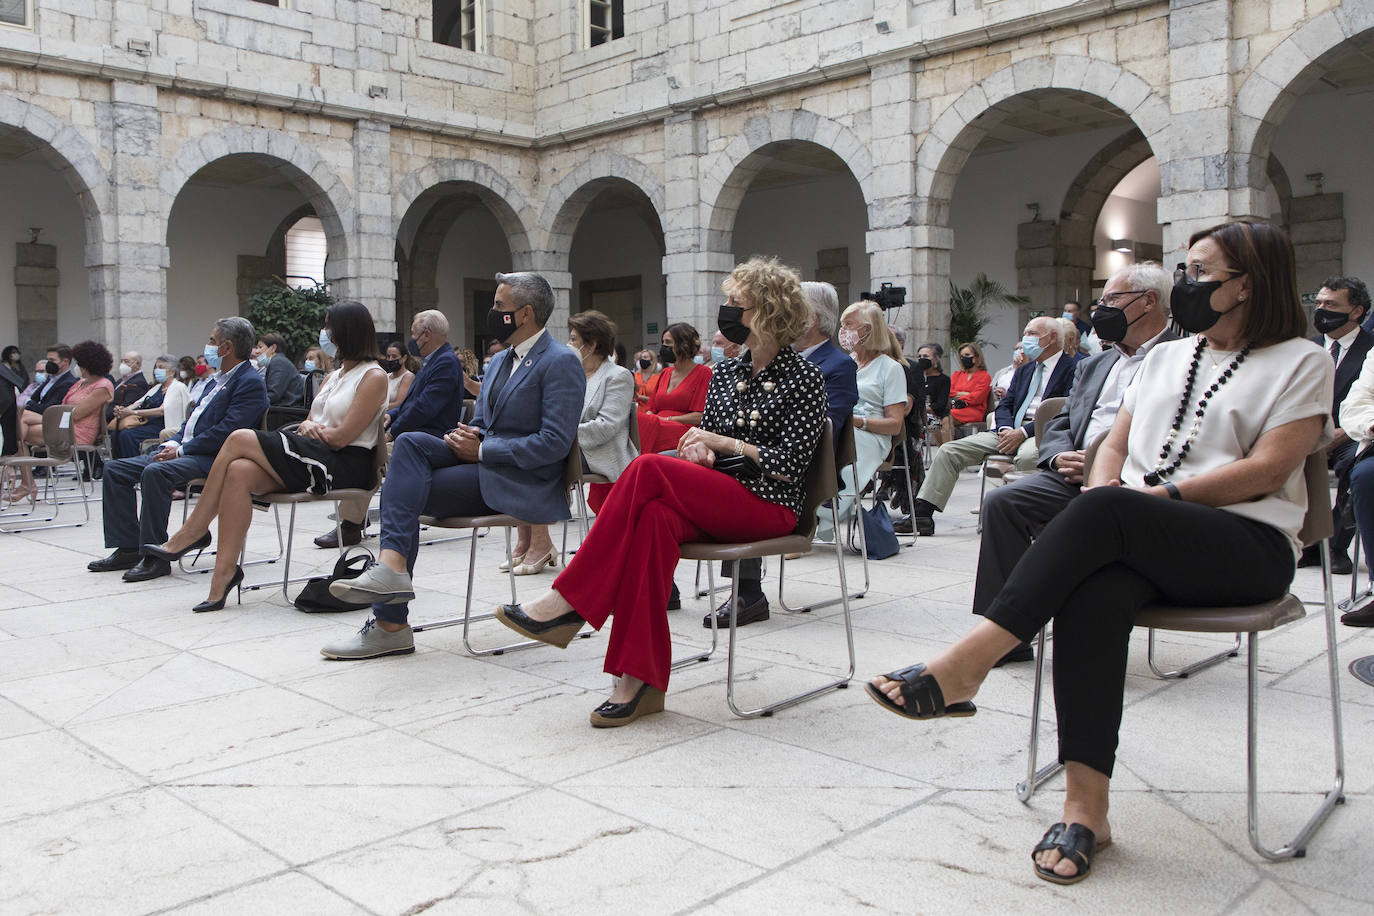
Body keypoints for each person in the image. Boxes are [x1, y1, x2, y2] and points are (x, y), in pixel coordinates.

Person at [868, 220, 1330, 886]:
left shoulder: (1300, 359)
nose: (1186, 285)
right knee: (1095, 588)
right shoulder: (1171, 355)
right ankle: (1087, 811)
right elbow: (1114, 440)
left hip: (1245, 543)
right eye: (1184, 271)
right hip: (1140, 529)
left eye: (1201, 274)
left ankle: (965, 665)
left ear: (1248, 285)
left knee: (1106, 514)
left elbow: (1269, 468)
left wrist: (1152, 500)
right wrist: (1111, 489)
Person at [488, 256, 827, 727]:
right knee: (651, 523)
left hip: (768, 504)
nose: (726, 310)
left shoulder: (805, 378)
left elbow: (790, 466)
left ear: (767, 310)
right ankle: (638, 681)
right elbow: (704, 437)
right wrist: (697, 450)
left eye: (736, 303)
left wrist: (723, 443)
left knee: (646, 468)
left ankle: (568, 601)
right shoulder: (728, 372)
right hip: (717, 492)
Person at [319, 271, 584, 660]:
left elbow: (555, 444)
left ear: (525, 314)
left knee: (407, 493)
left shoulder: (560, 361)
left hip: (520, 478)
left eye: (499, 306)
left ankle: (390, 622)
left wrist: (484, 450)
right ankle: (391, 571)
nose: (492, 313)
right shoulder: (498, 363)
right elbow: (483, 423)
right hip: (483, 460)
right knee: (409, 444)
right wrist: (468, 436)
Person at [974, 263, 1178, 665]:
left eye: (1111, 300)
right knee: (1004, 502)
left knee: (1088, 524)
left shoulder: (1181, 358)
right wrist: (1056, 454)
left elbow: (1181, 432)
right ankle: (1007, 638)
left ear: (1148, 302)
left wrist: (1108, 466)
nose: (1101, 309)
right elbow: (1064, 420)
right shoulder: (1097, 363)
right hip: (1072, 471)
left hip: (1137, 481)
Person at [149, 302, 387, 612]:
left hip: (343, 463)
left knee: (238, 438)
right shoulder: (335, 375)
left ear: (347, 331)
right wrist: (310, 426)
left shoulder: (374, 376)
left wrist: (313, 428)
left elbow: (341, 436)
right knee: (239, 471)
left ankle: (192, 532)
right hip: (313, 452)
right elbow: (311, 421)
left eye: (329, 326)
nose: (325, 332)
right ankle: (224, 575)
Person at [707, 279, 859, 628]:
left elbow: (825, 430)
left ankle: (747, 588)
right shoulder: (732, 369)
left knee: (662, 473)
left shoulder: (831, 366)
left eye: (737, 302)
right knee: (659, 469)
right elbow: (717, 430)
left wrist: (734, 444)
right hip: (740, 464)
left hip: (799, 470)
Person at [90, 317, 268, 583]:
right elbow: (192, 422)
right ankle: (128, 548)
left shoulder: (248, 382)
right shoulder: (215, 380)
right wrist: (173, 443)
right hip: (188, 450)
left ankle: (157, 557)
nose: (208, 346)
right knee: (115, 469)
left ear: (226, 348)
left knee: (156, 472)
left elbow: (229, 432)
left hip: (216, 459)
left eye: (212, 341)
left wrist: (182, 451)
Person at [907, 317, 1078, 535]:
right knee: (950, 450)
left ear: (1052, 337)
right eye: (1025, 333)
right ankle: (923, 515)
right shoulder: (1025, 370)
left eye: (1032, 334)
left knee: (1027, 458)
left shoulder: (1074, 368)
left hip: (1041, 432)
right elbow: (1005, 404)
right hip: (1008, 430)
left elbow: (1066, 410)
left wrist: (1023, 432)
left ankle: (1025, 518)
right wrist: (1006, 429)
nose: (1026, 339)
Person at [313, 309, 467, 549]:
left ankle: (352, 524)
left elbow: (425, 408)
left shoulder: (446, 362)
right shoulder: (436, 360)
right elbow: (411, 403)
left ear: (426, 334)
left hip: (432, 437)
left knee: (373, 453)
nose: (413, 338)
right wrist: (390, 415)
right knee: (366, 446)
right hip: (417, 432)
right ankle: (354, 519)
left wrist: (393, 430)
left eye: (415, 333)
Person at [501, 309, 637, 575]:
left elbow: (606, 428)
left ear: (592, 344)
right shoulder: (568, 372)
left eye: (574, 339)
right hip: (567, 446)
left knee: (538, 455)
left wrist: (557, 435)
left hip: (599, 451)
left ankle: (541, 544)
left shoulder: (618, 375)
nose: (568, 345)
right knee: (518, 451)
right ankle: (525, 542)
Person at [1298, 276, 1372, 576]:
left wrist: (1337, 435)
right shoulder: (1303, 350)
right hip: (1304, 435)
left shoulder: (1371, 350)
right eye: (1318, 303)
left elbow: (1363, 402)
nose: (1321, 310)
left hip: (1349, 435)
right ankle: (1300, 540)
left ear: (1356, 311)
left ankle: (1335, 546)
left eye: (1331, 304)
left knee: (1357, 464)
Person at [815, 300, 907, 542]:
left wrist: (857, 421)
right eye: (842, 324)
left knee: (840, 441)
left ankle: (822, 516)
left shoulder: (891, 368)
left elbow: (895, 424)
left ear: (868, 329)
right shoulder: (845, 363)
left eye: (849, 324)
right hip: (840, 426)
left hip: (872, 435)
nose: (843, 330)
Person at [8, 341, 114, 505]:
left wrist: (55, 416)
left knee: (20, 423)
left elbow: (77, 414)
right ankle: (23, 480)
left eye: (79, 363)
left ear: (89, 365)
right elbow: (64, 408)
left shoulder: (103, 386)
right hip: (62, 424)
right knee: (20, 427)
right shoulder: (79, 383)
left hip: (76, 432)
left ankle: (15, 472)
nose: (77, 367)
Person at [638, 322, 711, 455]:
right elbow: (651, 408)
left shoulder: (703, 373)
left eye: (668, 342)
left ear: (683, 345)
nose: (664, 347)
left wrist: (668, 420)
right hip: (658, 427)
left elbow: (700, 415)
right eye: (663, 342)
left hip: (683, 433)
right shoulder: (665, 373)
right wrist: (651, 419)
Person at [110, 354, 191, 459]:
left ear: (172, 371)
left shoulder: (178, 387)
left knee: (128, 435)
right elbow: (138, 403)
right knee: (115, 433)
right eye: (156, 367)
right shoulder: (157, 387)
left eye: (161, 367)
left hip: (163, 426)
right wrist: (123, 410)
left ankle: (132, 466)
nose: (157, 370)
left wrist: (133, 413)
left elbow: (162, 411)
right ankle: (117, 465)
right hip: (147, 423)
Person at [252, 332, 305, 407]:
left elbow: (274, 394)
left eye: (260, 347)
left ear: (273, 348)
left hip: (284, 412)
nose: (257, 351)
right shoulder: (278, 361)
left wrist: (252, 401)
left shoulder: (278, 362)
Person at [950, 342, 992, 428]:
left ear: (977, 357)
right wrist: (967, 394)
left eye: (967, 355)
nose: (963, 358)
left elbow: (977, 397)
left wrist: (958, 395)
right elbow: (948, 391)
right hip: (955, 408)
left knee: (946, 415)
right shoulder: (957, 374)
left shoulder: (984, 376)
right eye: (961, 356)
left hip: (974, 410)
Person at [106, 351, 151, 423]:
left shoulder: (139, 383)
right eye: (122, 361)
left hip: (115, 420)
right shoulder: (121, 380)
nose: (123, 364)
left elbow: (126, 406)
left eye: (126, 361)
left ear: (137, 364)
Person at [381, 341, 415, 411]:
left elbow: (400, 403)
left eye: (394, 356)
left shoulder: (408, 377)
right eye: (388, 356)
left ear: (404, 358)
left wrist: (376, 408)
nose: (390, 359)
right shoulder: (386, 376)